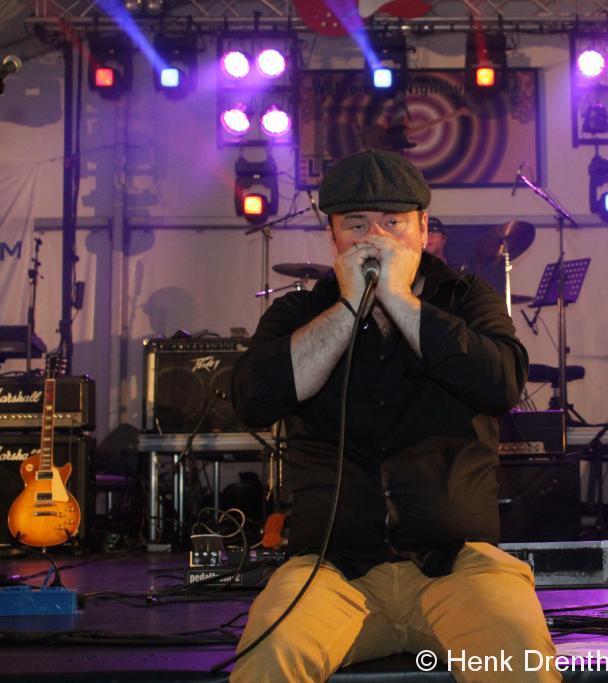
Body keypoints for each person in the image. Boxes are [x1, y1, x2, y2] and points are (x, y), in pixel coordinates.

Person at [230, 149, 558, 682]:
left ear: (423, 228)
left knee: (519, 656)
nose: (375, 239)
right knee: (271, 654)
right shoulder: (300, 313)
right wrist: (348, 308)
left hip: (460, 566)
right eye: (356, 225)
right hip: (332, 572)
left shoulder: (466, 299)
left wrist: (400, 299)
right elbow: (252, 401)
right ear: (333, 235)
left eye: (393, 223)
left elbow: (501, 384)